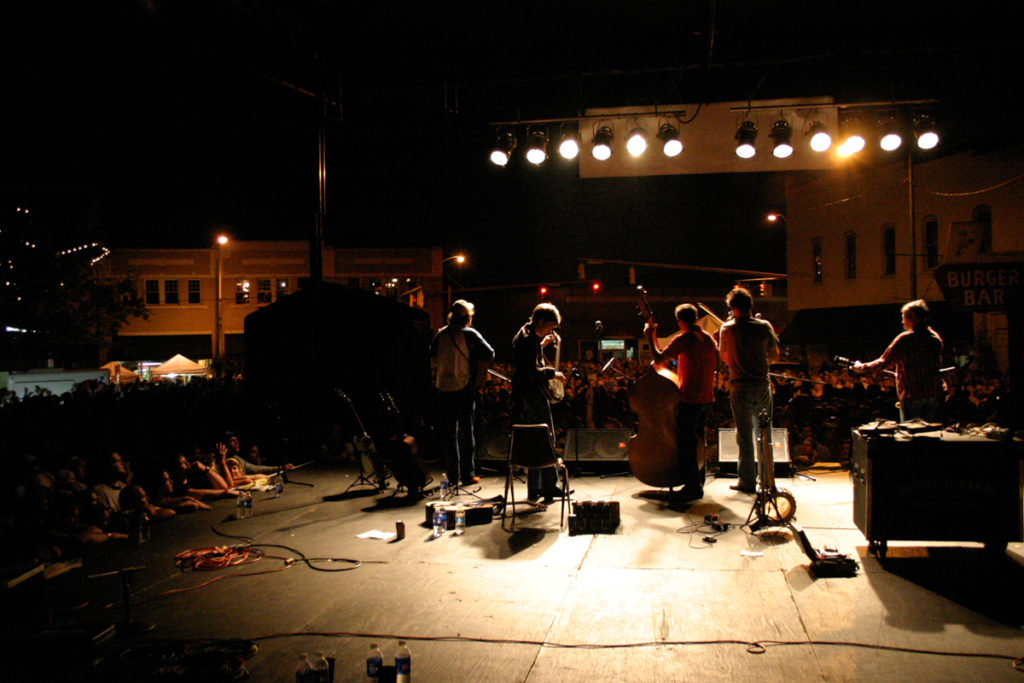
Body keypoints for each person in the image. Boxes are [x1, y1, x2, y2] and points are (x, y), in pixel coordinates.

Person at [645, 303, 718, 501]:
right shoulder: (708, 338)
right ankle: (698, 481)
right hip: (707, 398)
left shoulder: (685, 339)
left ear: (680, 321)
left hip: (691, 398)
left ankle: (692, 487)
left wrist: (649, 337)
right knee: (698, 441)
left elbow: (658, 360)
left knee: (686, 444)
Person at [717, 287, 780, 494]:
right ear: (751, 305)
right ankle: (768, 480)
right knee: (765, 433)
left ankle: (747, 481)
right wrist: (761, 361)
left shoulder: (726, 329)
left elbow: (724, 357)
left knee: (744, 436)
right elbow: (775, 355)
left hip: (740, 386)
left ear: (733, 308)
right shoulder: (764, 326)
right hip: (761, 384)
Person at [429, 299, 496, 488]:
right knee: (467, 432)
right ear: (467, 318)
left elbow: (432, 355)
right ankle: (468, 475)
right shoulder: (469, 333)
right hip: (463, 387)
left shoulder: (441, 334)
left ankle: (452, 475)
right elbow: (489, 353)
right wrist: (478, 370)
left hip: (443, 388)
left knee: (449, 434)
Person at [510, 302, 567, 504]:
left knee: (535, 441)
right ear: (540, 321)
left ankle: (536, 488)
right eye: (549, 327)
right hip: (533, 396)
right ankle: (549, 486)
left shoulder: (526, 335)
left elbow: (526, 358)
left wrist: (541, 345)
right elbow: (531, 372)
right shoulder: (527, 339)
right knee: (545, 438)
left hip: (526, 395)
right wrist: (553, 373)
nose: (550, 331)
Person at [853, 299, 944, 423]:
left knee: (911, 432)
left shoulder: (905, 339)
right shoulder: (935, 338)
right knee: (932, 431)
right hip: (934, 394)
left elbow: (883, 362)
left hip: (912, 395)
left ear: (913, 317)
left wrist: (862, 367)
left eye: (904, 318)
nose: (902, 322)